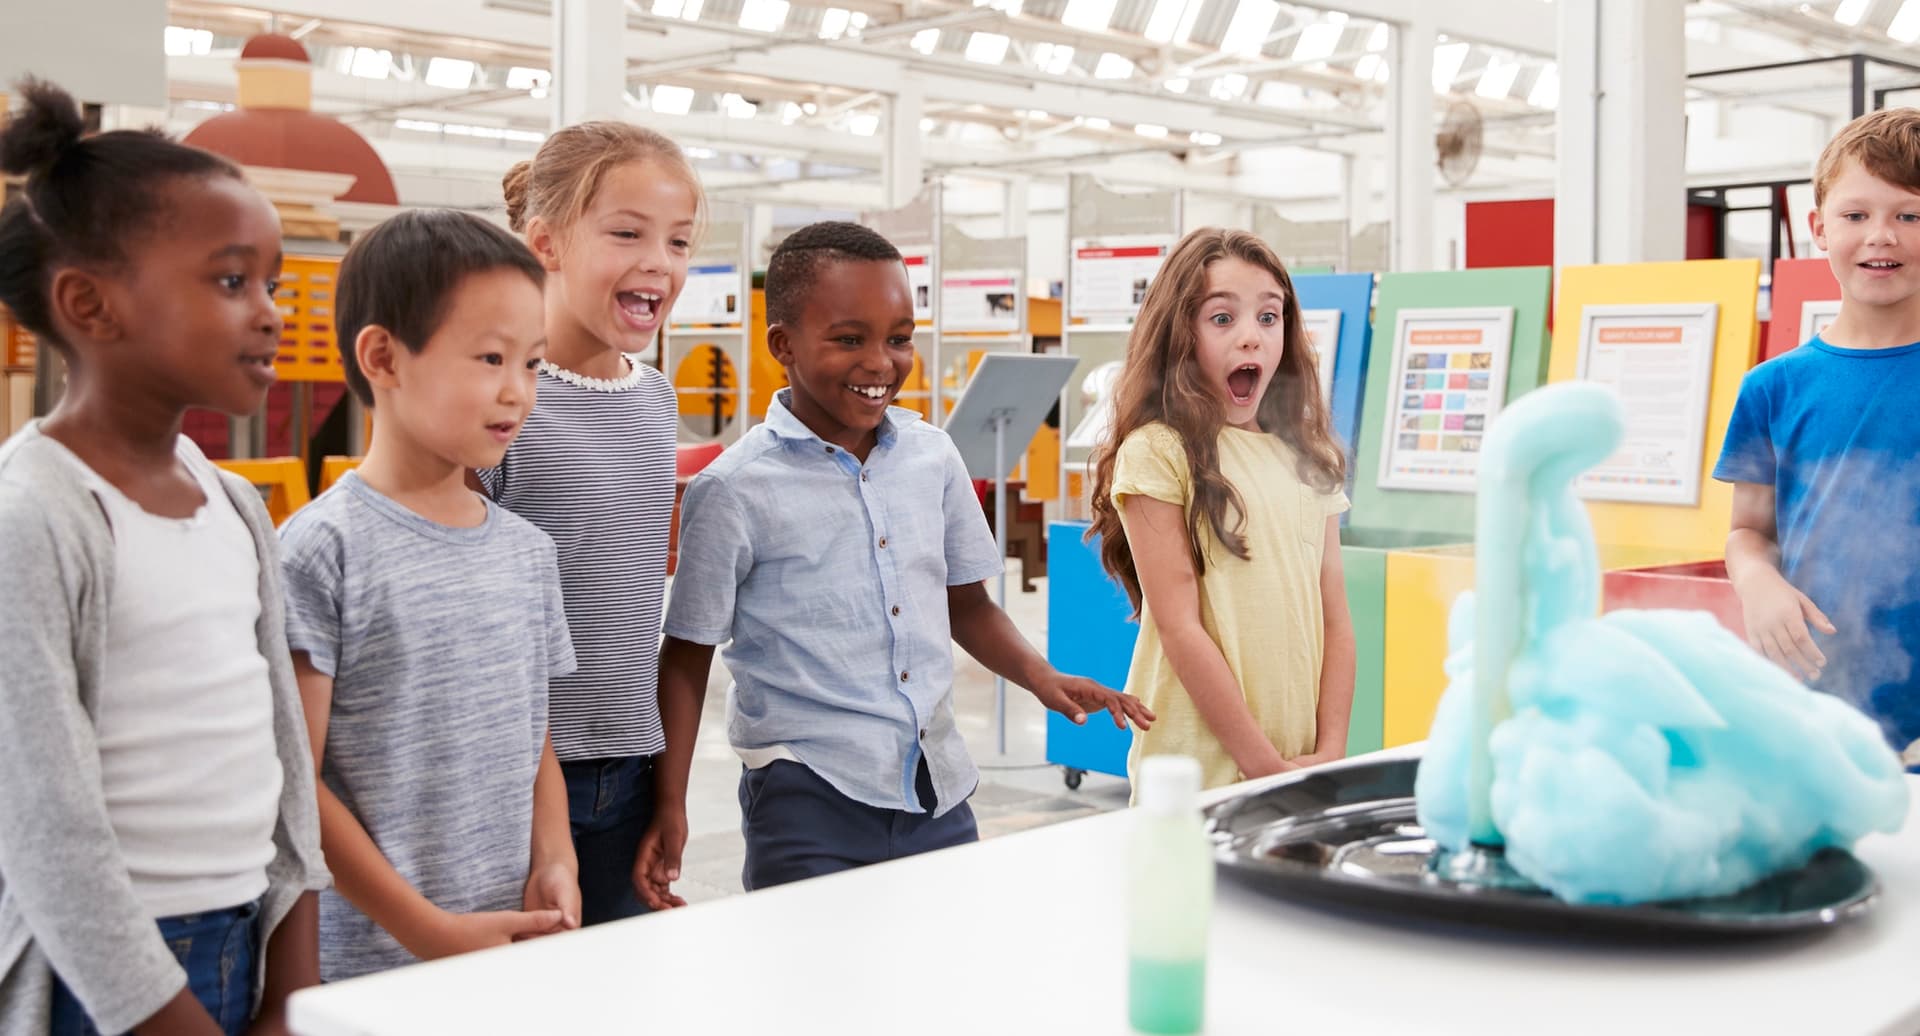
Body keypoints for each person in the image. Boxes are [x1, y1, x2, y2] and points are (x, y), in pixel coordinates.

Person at [653, 221, 1155, 892]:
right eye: (849, 339)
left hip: (937, 792)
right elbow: (686, 657)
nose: (881, 363)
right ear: (783, 345)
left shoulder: (932, 457)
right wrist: (668, 803)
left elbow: (966, 604)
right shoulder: (734, 489)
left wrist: (1041, 676)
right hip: (808, 801)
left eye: (898, 339)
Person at [0, 79, 327, 1036]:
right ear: (90, 307)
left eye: (271, 280)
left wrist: (292, 980)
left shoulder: (232, 503)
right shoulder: (36, 514)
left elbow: (283, 762)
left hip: (245, 940)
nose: (268, 311)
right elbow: (44, 832)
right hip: (99, 980)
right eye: (232, 282)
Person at [279, 210, 579, 980]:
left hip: (508, 939)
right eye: (489, 358)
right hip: (375, 961)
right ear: (383, 356)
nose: (517, 392)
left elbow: (531, 734)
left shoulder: (525, 550)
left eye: (534, 363)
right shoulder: (323, 549)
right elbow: (294, 781)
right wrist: (428, 930)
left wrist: (556, 857)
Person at [481, 120, 698, 920]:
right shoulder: (504, 400)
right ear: (546, 243)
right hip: (515, 774)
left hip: (630, 768)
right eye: (627, 234)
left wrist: (667, 790)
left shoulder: (655, 397)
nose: (659, 262)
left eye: (678, 242)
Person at [1087, 227, 1356, 792]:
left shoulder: (1308, 457)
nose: (1252, 338)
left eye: (1269, 316)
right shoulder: (1159, 450)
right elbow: (1181, 628)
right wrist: (1263, 768)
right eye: (1221, 318)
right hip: (1198, 775)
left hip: (1296, 765)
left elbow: (1335, 616)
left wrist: (1330, 749)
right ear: (1179, 333)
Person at [1717, 106, 1920, 769]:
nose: (1880, 236)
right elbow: (1750, 531)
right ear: (1818, 228)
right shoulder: (1773, 388)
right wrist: (1756, 584)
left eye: (1909, 216)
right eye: (1856, 216)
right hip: (1818, 711)